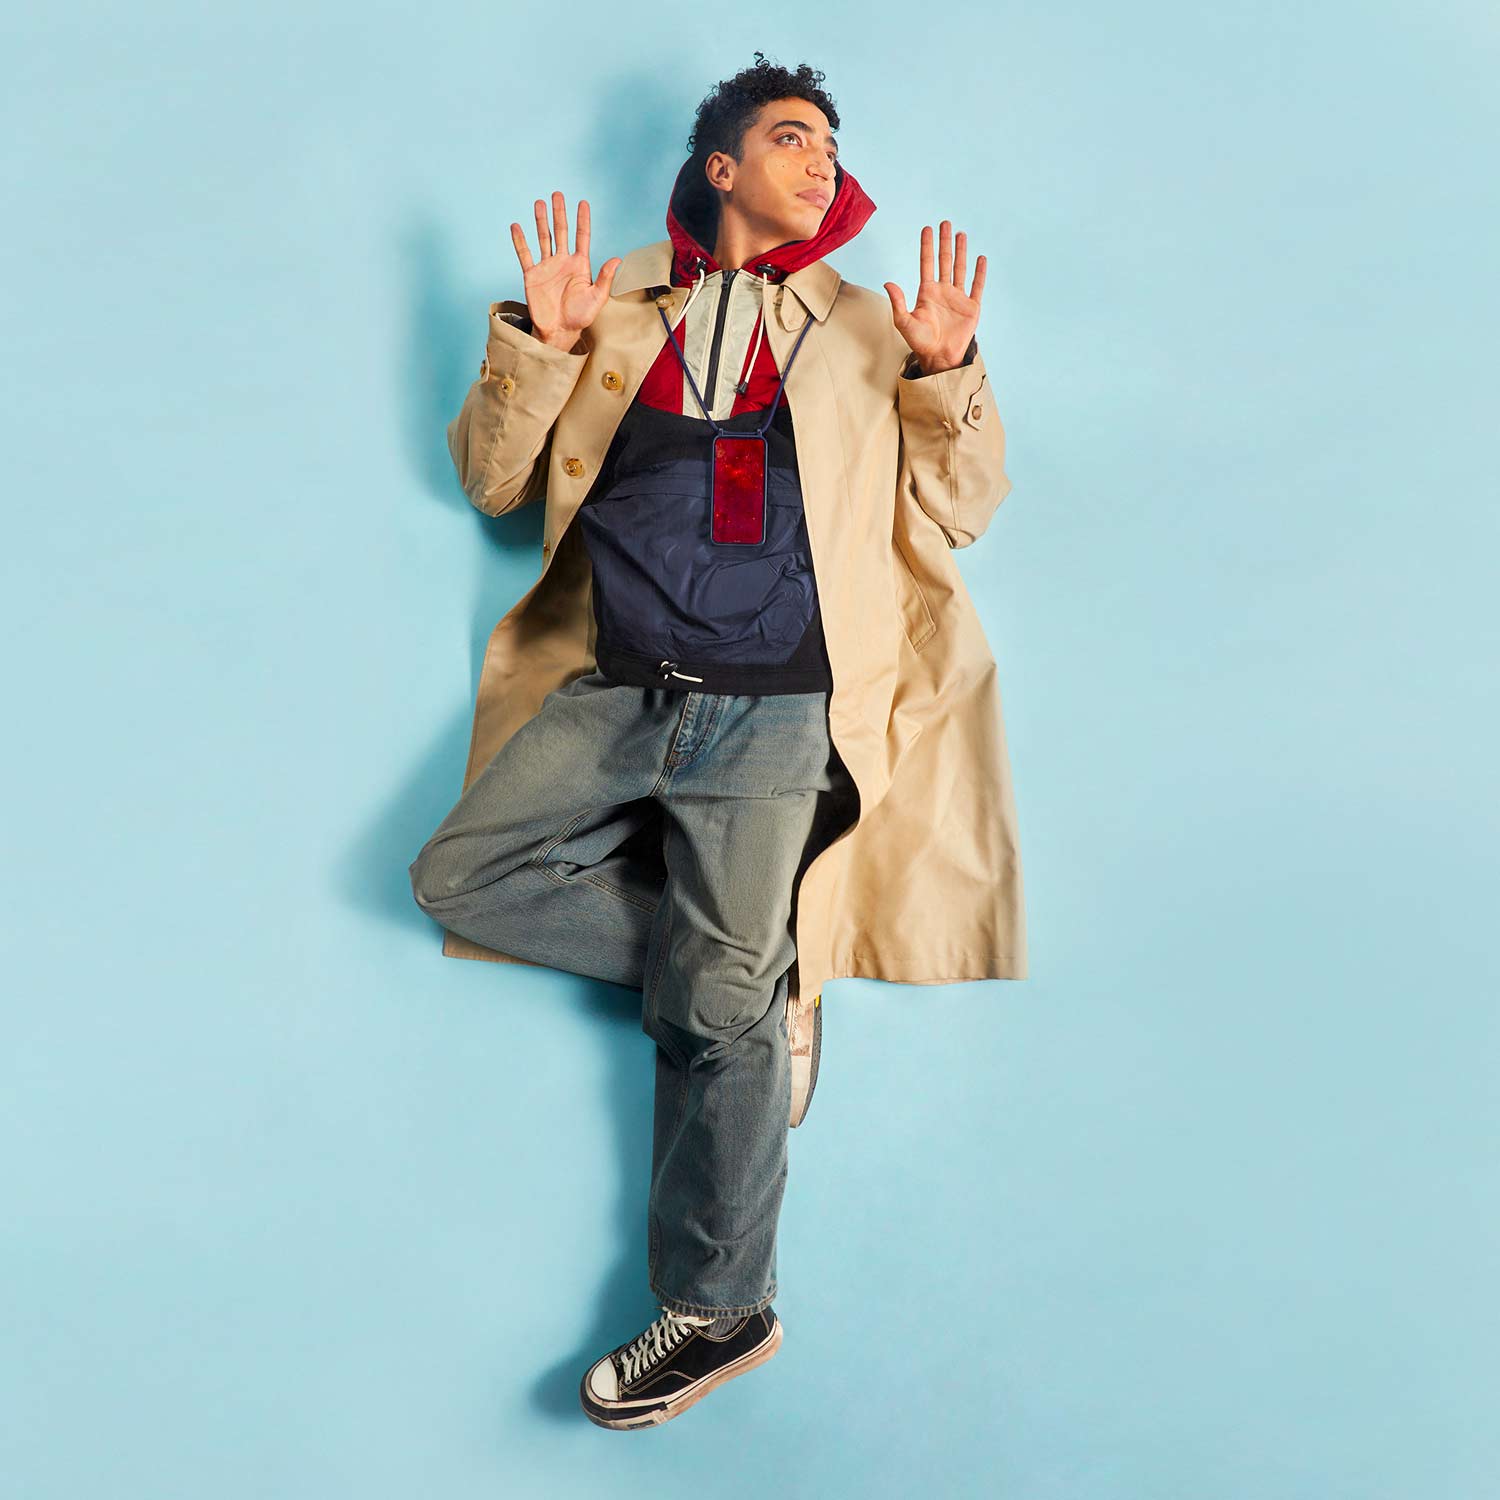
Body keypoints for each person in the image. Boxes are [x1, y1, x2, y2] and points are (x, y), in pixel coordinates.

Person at [409, 52, 999, 1430]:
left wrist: (947, 370)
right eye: (792, 137)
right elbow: (493, 480)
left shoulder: (871, 326)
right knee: (460, 880)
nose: (823, 159)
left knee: (711, 1010)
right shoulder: (608, 301)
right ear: (720, 167)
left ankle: (720, 1309)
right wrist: (540, 343)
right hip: (621, 691)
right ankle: (751, 992)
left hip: (781, 708)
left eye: (832, 145)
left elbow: (965, 508)